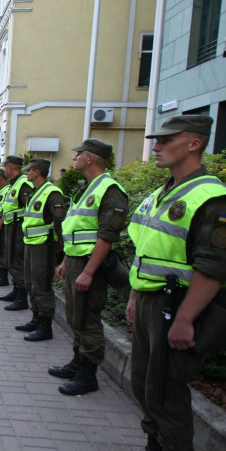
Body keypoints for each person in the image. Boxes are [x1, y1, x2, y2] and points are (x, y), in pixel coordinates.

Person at [106, 116, 226, 451]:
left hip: (177, 307)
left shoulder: (210, 196)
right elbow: (148, 252)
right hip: (151, 302)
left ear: (193, 143)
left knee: (166, 388)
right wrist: (136, 297)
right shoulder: (166, 191)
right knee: (145, 383)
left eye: (165, 140)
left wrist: (186, 319)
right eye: (156, 140)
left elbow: (213, 266)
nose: (156, 146)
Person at [51, 138, 128, 395]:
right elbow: (76, 229)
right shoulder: (87, 187)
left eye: (78, 154)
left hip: (88, 264)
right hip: (75, 260)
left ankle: (88, 376)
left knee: (88, 320)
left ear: (91, 158)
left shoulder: (109, 189)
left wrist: (88, 271)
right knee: (76, 317)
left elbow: (107, 236)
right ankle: (77, 362)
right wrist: (65, 262)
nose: (74, 159)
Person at [17, 158, 65, 341]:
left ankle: (45, 327)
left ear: (37, 172)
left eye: (28, 170)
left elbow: (60, 222)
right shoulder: (36, 192)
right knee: (30, 283)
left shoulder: (52, 193)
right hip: (32, 243)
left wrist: (61, 247)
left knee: (42, 286)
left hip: (44, 246)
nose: (26, 173)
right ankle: (35, 319)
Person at [0, 155, 34, 310]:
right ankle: (16, 291)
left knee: (17, 261)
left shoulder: (23, 183)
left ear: (10, 167)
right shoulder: (15, 183)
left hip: (19, 228)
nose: (4, 169)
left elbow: (29, 208)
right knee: (11, 259)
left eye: (5, 166)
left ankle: (21, 298)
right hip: (11, 225)